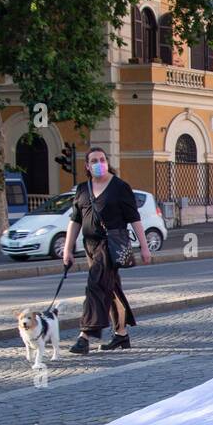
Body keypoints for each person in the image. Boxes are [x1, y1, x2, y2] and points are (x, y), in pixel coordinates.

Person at [64, 146, 151, 354]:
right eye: (94, 160)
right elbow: (75, 221)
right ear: (87, 166)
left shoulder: (120, 187)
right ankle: (121, 335)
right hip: (90, 246)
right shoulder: (82, 189)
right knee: (110, 288)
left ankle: (84, 335)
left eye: (102, 159)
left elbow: (135, 219)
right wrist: (67, 250)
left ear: (107, 162)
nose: (98, 163)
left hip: (111, 244)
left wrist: (145, 248)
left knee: (95, 285)